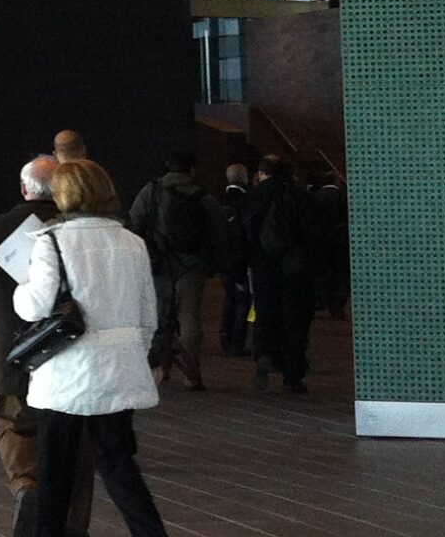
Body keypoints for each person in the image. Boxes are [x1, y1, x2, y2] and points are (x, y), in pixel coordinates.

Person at [12, 157, 181, 537]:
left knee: (56, 466)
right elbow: (147, 314)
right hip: (117, 369)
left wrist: (20, 288)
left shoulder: (51, 241)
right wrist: (135, 353)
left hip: (66, 374)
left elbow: (34, 306)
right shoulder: (131, 242)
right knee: (120, 466)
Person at [0, 155, 94, 537]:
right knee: (76, 435)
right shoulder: (78, 230)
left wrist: (2, 326)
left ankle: (26, 486)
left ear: (24, 188)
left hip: (17, 350)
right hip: (72, 349)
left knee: (15, 423)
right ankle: (72, 523)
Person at [128, 154, 227, 390]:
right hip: (193, 267)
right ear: (192, 170)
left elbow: (134, 222)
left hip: (160, 266)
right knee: (190, 319)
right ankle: (190, 373)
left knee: (157, 317)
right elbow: (220, 230)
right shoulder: (203, 196)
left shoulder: (151, 191)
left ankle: (158, 368)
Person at [241, 155, 315, 393]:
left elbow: (242, 234)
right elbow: (312, 232)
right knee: (295, 319)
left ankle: (264, 353)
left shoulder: (252, 197)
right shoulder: (298, 196)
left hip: (262, 266)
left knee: (265, 313)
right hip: (294, 267)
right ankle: (293, 374)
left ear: (262, 173)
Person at [218, 162, 254, 357]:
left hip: (224, 259)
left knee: (229, 298)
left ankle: (225, 334)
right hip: (241, 259)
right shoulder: (246, 201)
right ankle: (237, 341)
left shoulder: (219, 199)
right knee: (243, 301)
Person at [311, 168, 351, 319]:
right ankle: (337, 305)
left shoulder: (315, 197)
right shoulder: (343, 197)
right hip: (341, 240)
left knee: (324, 274)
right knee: (341, 274)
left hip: (321, 241)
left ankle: (325, 300)